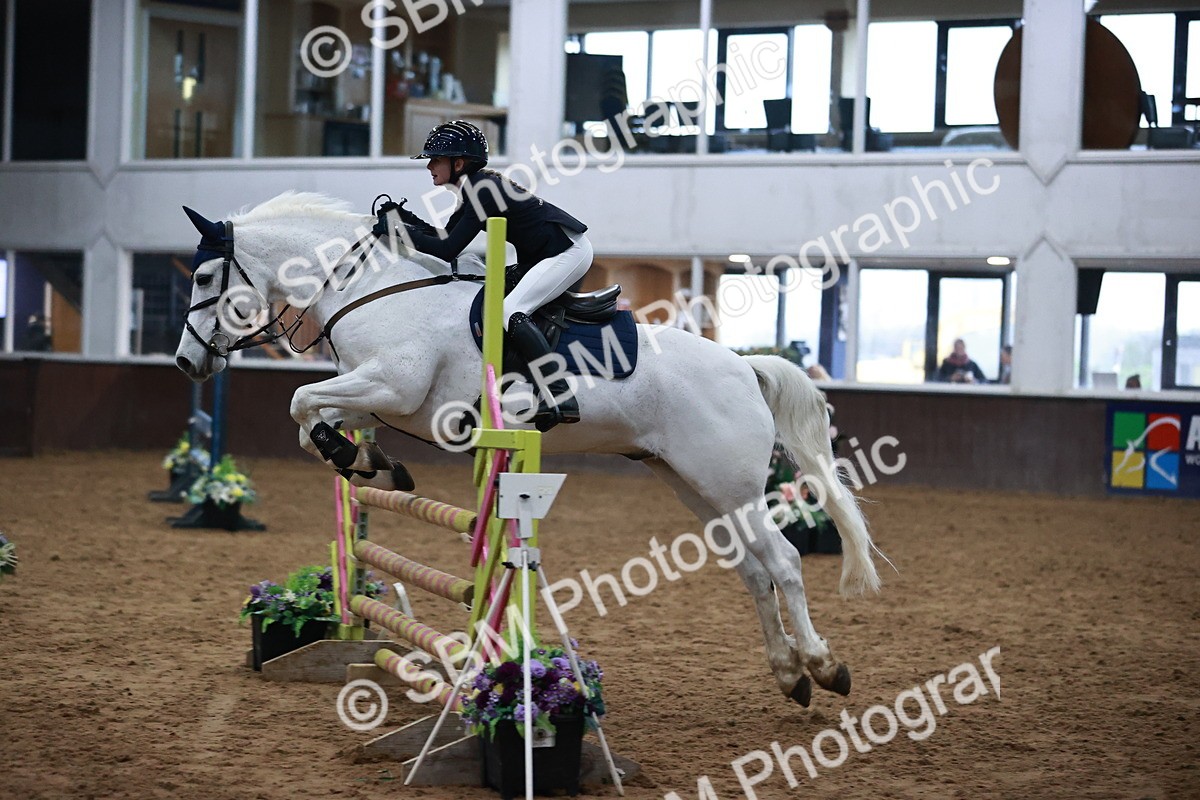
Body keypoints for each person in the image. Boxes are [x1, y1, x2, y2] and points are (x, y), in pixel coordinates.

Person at [397, 120, 591, 430]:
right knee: (495, 308)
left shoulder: (481, 190)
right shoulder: (475, 188)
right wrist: (406, 221)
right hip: (548, 253)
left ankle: (559, 393)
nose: (430, 166)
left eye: (436, 159)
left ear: (458, 163)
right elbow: (445, 236)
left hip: (567, 252)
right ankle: (492, 400)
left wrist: (398, 233)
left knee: (511, 310)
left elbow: (447, 250)